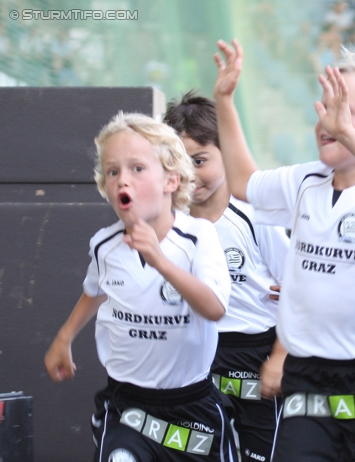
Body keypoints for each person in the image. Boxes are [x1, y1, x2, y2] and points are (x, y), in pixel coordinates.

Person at [212, 34, 355, 461]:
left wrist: (350, 136)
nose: (328, 119)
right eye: (325, 106)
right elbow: (243, 184)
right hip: (308, 377)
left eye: (346, 110)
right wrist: (225, 100)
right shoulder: (305, 182)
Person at [43, 112, 238, 461]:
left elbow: (214, 308)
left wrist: (160, 260)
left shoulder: (199, 237)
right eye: (113, 171)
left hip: (191, 411)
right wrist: (64, 338)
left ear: (171, 181)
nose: (122, 181)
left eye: (137, 168)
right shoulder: (105, 245)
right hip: (128, 409)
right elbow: (95, 291)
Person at [164, 91, 290, 462]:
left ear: (227, 155)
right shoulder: (169, 224)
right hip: (199, 358)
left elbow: (297, 290)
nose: (190, 175)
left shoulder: (255, 216)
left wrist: (280, 357)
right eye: (179, 164)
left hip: (256, 358)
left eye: (200, 161)